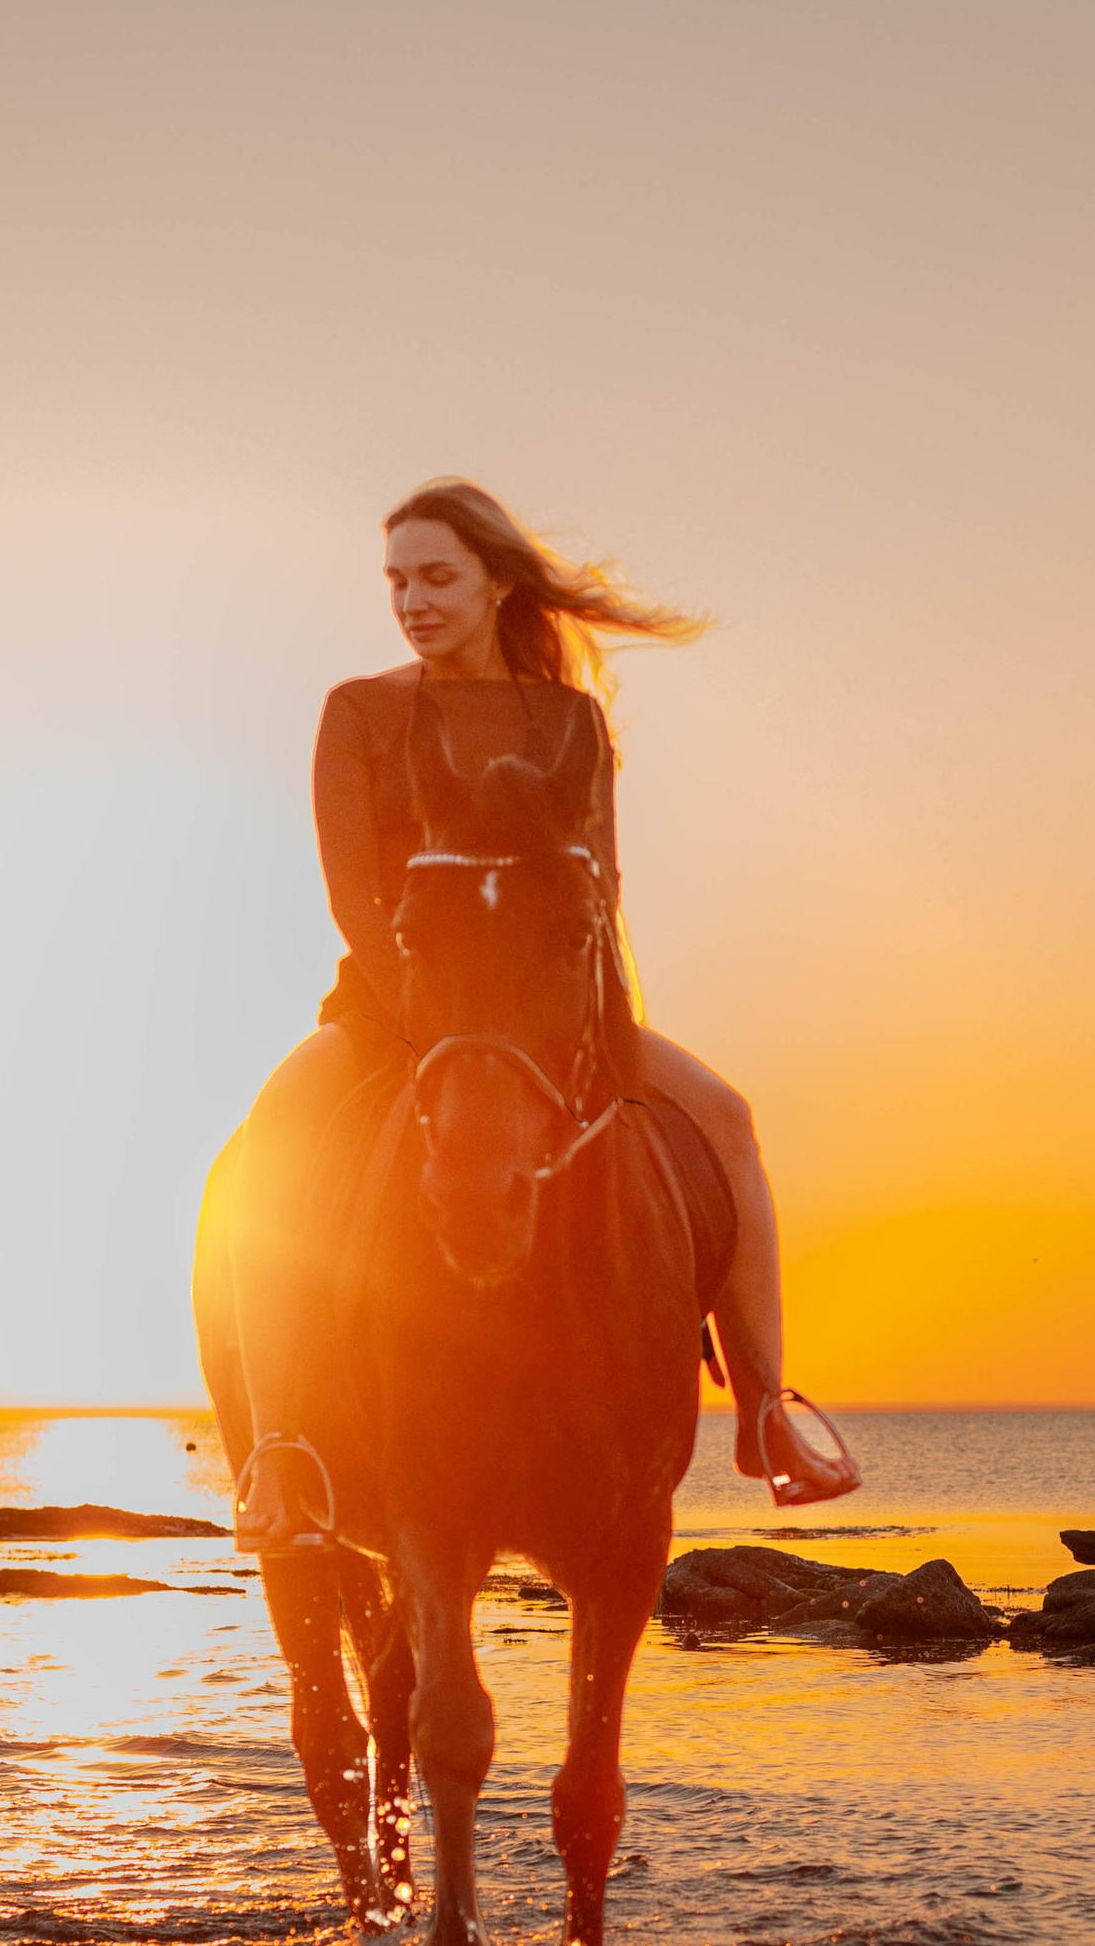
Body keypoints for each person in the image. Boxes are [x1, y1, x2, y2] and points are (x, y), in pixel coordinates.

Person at [201, 479, 858, 1543]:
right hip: (389, 1009)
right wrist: (431, 1014)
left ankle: (767, 1416)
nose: (411, 599)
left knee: (728, 1118)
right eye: (396, 580)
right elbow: (353, 896)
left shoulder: (570, 722)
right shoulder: (360, 711)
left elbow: (599, 896)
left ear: (496, 583)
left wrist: (601, 1025)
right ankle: (278, 1456)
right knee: (272, 1143)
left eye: (436, 576)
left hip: (551, 1016)